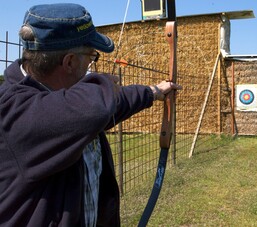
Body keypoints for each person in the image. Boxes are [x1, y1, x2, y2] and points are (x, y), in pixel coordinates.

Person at [0, 3, 181, 227]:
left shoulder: (67, 104)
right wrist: (104, 84)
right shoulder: (13, 110)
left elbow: (113, 105)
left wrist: (153, 92)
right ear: (69, 62)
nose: (92, 64)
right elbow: (97, 108)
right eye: (91, 56)